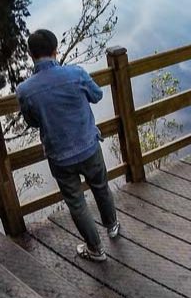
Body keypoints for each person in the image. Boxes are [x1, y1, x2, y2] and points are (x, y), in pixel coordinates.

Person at [17, 29, 121, 262]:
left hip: (59, 156)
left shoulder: (25, 91)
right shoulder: (76, 74)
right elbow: (97, 96)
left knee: (76, 202)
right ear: (56, 51)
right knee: (101, 186)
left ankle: (95, 249)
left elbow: (32, 121)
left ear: (31, 55)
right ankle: (112, 225)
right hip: (88, 146)